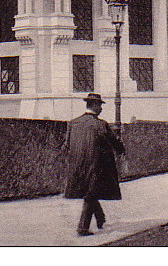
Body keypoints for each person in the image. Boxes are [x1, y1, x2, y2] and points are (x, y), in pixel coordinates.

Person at [63, 93, 125, 236]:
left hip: (77, 166)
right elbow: (114, 142)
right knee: (91, 193)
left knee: (90, 191)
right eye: (100, 106)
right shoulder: (100, 124)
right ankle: (82, 227)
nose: (101, 109)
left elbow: (66, 145)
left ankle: (100, 218)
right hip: (95, 165)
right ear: (95, 105)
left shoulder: (73, 123)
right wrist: (121, 151)